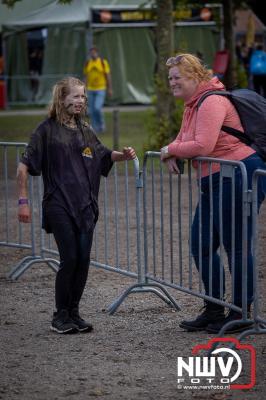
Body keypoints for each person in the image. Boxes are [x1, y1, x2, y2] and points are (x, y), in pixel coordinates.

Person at [17, 77, 136, 334]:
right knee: (69, 258)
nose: (80, 101)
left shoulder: (86, 130)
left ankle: (74, 313)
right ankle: (59, 316)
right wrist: (23, 202)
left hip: (85, 207)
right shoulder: (46, 130)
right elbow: (23, 167)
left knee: (82, 260)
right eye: (75, 96)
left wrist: (123, 156)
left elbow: (104, 155)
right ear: (62, 99)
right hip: (58, 204)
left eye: (83, 96)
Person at [160, 53, 266, 334]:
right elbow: (184, 140)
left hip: (237, 174)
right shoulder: (192, 105)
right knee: (201, 243)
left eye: (177, 77)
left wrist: (172, 151)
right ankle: (214, 307)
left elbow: (203, 146)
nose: (172, 82)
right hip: (215, 178)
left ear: (194, 76)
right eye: (170, 77)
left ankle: (242, 311)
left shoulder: (212, 101)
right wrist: (172, 149)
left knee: (236, 245)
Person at [83, 46, 113, 134]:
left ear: (97, 53)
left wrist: (110, 88)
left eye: (94, 52)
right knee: (91, 110)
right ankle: (94, 128)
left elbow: (108, 76)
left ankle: (101, 126)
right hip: (90, 89)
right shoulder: (88, 63)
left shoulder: (103, 62)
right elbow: (85, 77)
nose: (93, 54)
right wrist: (83, 89)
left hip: (101, 88)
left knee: (97, 108)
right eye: (91, 52)